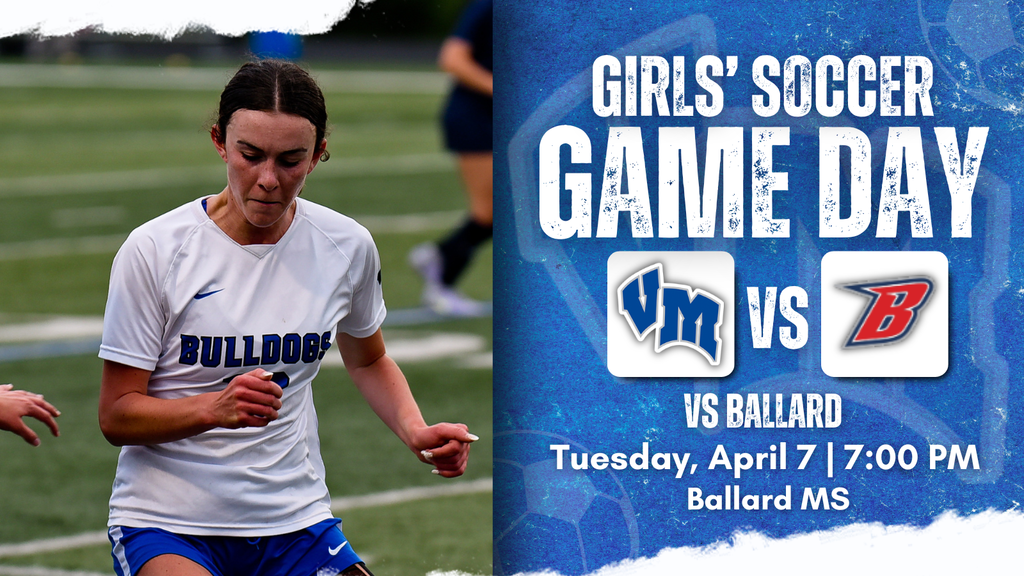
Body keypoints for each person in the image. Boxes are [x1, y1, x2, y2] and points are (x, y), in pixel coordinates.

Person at [97, 59, 476, 576]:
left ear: (319, 154)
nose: (269, 179)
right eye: (249, 155)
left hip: (295, 522)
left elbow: (368, 360)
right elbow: (116, 415)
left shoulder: (345, 246)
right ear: (219, 142)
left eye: (291, 160)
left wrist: (416, 430)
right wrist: (214, 407)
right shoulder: (155, 251)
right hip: (167, 523)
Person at [409, 0, 493, 316]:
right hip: (475, 116)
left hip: (505, 118)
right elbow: (452, 58)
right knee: (491, 210)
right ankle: (441, 280)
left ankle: (438, 256)